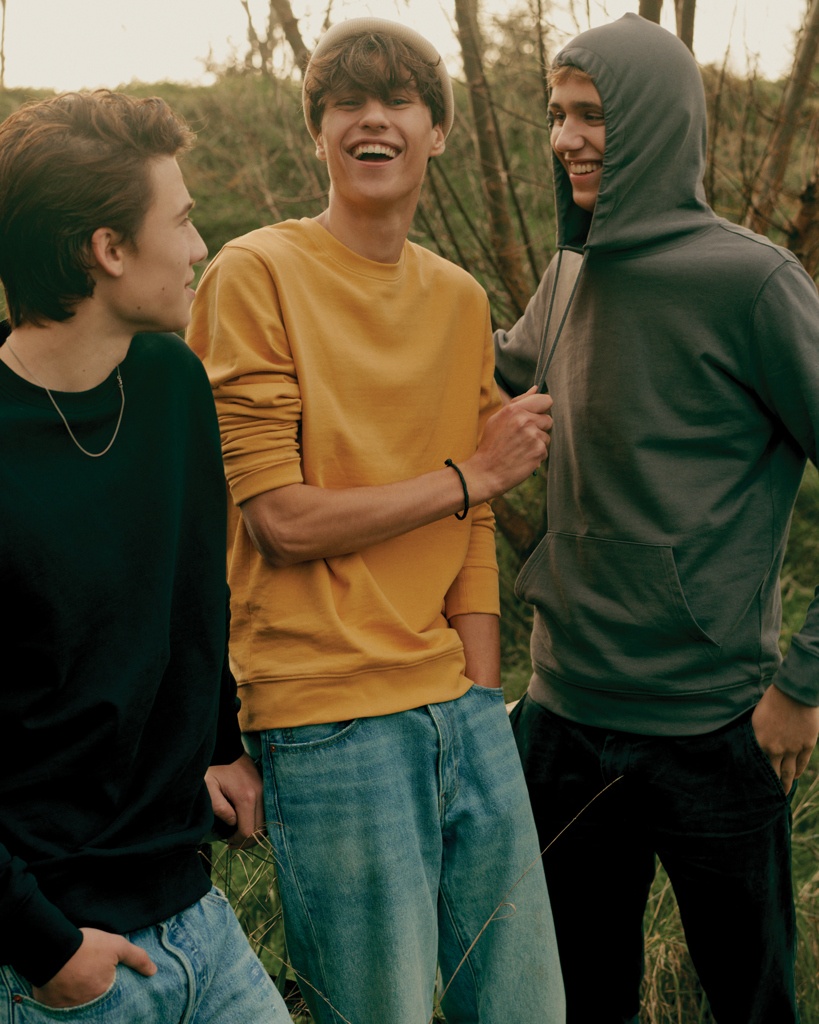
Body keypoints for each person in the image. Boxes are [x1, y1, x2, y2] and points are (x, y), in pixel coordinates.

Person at [188, 18, 564, 1024]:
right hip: (326, 716)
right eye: (345, 103)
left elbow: (473, 525)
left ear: (437, 131)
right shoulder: (255, 274)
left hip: (459, 706)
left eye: (398, 100)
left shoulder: (457, 298)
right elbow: (279, 521)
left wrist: (477, 692)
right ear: (316, 132)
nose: (372, 119)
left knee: (526, 1006)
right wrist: (469, 474)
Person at [493, 13, 819, 1024]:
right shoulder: (569, 273)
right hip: (562, 717)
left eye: (592, 115)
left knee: (751, 1002)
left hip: (713, 729)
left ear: (658, 123)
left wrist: (802, 687)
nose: (566, 138)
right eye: (556, 114)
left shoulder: (752, 282)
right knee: (581, 1002)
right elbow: (476, 382)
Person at [0, 91, 291, 1022]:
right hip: (59, 954)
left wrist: (221, 746)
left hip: (194, 909)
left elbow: (196, 597)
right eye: (183, 219)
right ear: (109, 249)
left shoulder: (170, 382)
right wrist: (44, 946)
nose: (200, 246)